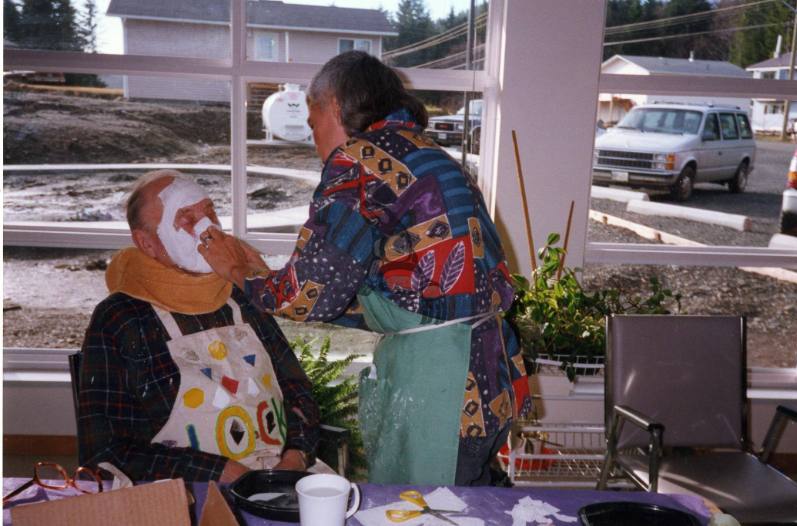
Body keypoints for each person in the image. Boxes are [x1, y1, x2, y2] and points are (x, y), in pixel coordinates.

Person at [200, 51, 532, 486]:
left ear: (334, 106)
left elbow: (308, 296)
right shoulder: (428, 152)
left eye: (313, 122)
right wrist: (271, 278)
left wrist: (241, 272)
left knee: (428, 512)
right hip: (488, 376)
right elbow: (393, 295)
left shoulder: (358, 160)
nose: (313, 137)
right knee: (477, 501)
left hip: (445, 385)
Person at [78, 170, 321, 482]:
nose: (208, 227)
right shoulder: (121, 319)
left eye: (209, 211)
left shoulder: (241, 296)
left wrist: (296, 455)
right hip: (183, 497)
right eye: (187, 217)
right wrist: (222, 471)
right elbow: (104, 453)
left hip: (278, 480)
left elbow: (296, 391)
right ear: (147, 243)